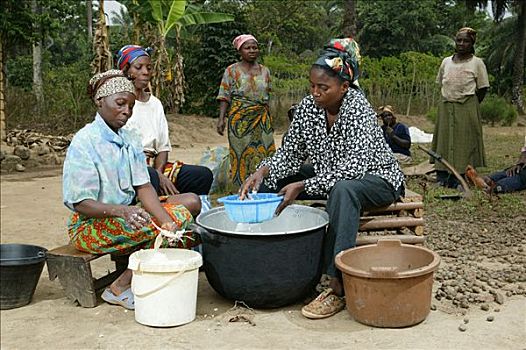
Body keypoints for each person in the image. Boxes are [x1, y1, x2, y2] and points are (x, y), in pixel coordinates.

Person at [240, 38, 405, 319]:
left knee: (343, 191)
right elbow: (291, 153)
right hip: (328, 172)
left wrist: (304, 185)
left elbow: (353, 170)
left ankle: (336, 284)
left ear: (344, 87)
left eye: (323, 88)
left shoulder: (359, 110)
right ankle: (260, 251)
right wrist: (263, 170)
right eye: (312, 86)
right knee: (274, 178)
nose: (315, 93)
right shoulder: (308, 108)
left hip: (375, 178)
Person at [62, 70, 201, 310]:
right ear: (99, 102)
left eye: (131, 106)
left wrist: (165, 221)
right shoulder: (85, 142)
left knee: (176, 225)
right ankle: (119, 287)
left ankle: (139, 274)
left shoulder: (130, 138)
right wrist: (122, 212)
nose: (127, 111)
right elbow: (80, 203)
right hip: (88, 226)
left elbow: (144, 186)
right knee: (174, 223)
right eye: (120, 103)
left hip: (126, 216)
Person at [116, 45, 213, 197]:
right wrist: (156, 175)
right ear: (126, 70)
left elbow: (162, 147)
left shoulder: (155, 104)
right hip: (130, 168)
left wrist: (160, 173)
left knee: (202, 175)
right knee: (150, 178)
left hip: (156, 166)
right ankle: (156, 210)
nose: (146, 72)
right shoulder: (118, 103)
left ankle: (181, 212)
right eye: (139, 67)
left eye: (148, 67)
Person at [432, 27, 489, 188]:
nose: (462, 43)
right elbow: (441, 83)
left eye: (466, 41)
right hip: (446, 105)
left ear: (472, 44)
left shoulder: (477, 63)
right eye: (459, 40)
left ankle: (461, 177)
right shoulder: (446, 62)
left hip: (467, 105)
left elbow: (483, 88)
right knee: (443, 140)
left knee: (465, 142)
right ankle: (442, 175)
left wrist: (471, 105)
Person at [216, 34, 276, 187]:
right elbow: (224, 96)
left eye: (255, 47)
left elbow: (268, 96)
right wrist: (221, 119)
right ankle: (241, 189)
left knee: (266, 152)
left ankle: (265, 187)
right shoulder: (231, 71)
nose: (252, 51)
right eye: (247, 48)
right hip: (239, 120)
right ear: (240, 51)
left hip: (262, 119)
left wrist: (270, 119)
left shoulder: (265, 71)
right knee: (240, 153)